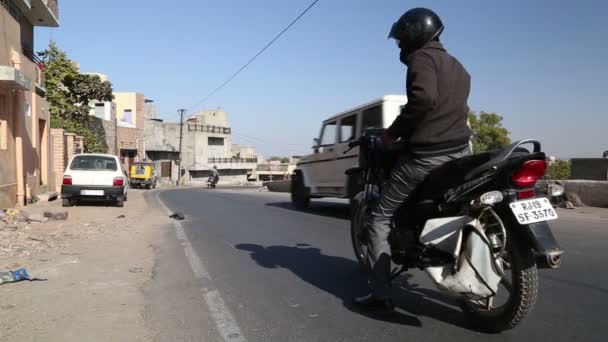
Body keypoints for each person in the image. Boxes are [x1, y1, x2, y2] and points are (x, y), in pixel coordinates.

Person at [354, 8, 473, 310]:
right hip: (461, 150)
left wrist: (392, 133)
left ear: (412, 36)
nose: (399, 45)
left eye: (400, 39)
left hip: (427, 155)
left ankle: (380, 293)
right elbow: (447, 107)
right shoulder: (457, 65)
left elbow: (423, 101)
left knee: (379, 218)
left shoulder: (422, 58)